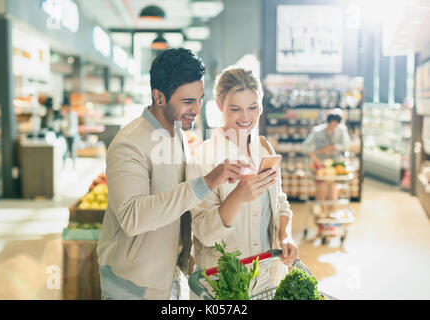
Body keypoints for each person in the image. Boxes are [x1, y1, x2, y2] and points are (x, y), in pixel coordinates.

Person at [96, 48, 251, 300]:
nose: (197, 109)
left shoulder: (175, 131)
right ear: (159, 97)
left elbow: (177, 202)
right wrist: (207, 182)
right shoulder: (129, 144)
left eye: (200, 99)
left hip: (167, 277)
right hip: (132, 284)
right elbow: (132, 217)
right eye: (187, 101)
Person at [186, 68, 299, 297]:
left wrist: (285, 236)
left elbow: (279, 202)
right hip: (222, 284)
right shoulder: (204, 158)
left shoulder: (264, 149)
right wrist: (237, 196)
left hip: (266, 279)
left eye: (253, 107)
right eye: (235, 109)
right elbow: (203, 233)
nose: (246, 117)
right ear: (219, 105)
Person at [302, 108, 351, 215]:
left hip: (335, 164)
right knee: (321, 185)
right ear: (327, 122)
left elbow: (346, 145)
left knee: (333, 185)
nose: (333, 127)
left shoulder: (342, 129)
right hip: (319, 163)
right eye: (331, 125)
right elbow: (305, 147)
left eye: (335, 125)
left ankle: (331, 212)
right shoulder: (317, 131)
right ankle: (322, 211)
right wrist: (315, 157)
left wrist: (332, 147)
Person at [61, 98, 79, 170]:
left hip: (72, 135)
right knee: (66, 150)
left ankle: (73, 166)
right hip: (67, 135)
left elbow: (71, 126)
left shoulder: (72, 114)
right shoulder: (67, 115)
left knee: (71, 150)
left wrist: (64, 129)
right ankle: (65, 166)